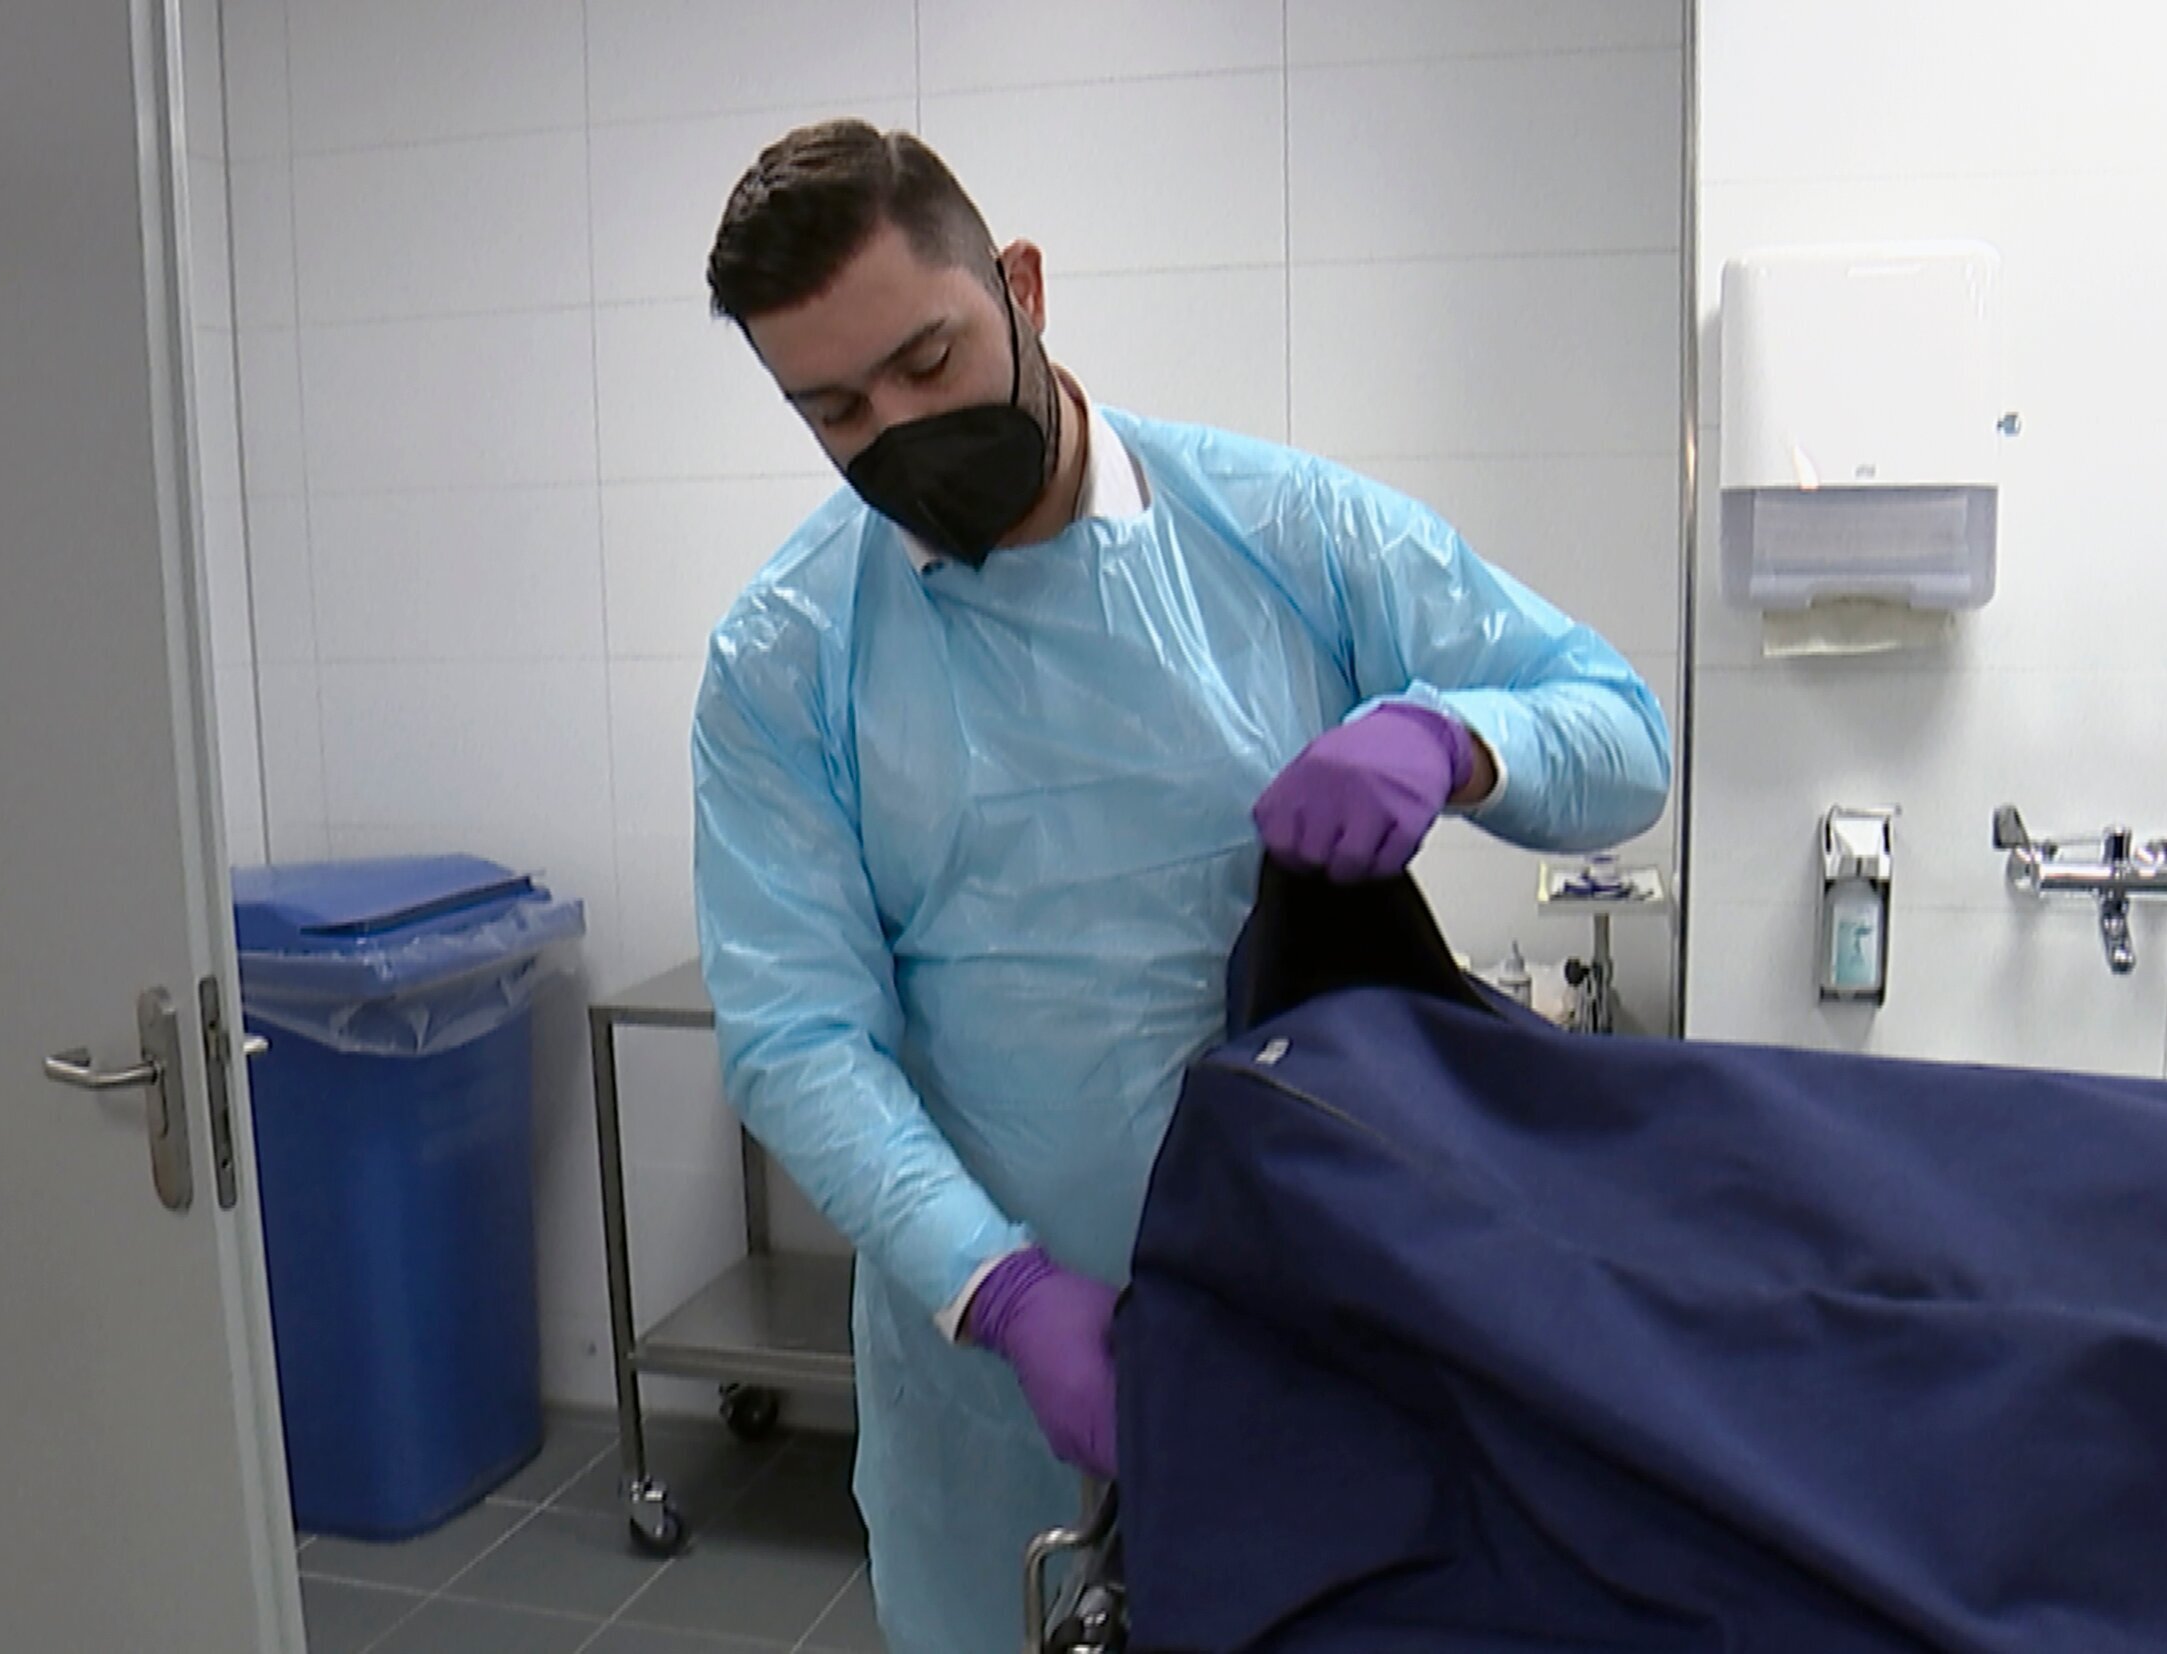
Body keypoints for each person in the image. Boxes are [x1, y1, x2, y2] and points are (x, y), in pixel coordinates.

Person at [689, 119, 1671, 1654]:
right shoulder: (788, 654)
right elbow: (796, 1036)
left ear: (1020, 286)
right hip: (991, 1377)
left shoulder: (1284, 533)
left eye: (929, 360)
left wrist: (1457, 738)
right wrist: (998, 1289)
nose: (900, 429)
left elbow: (1623, 735)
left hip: (1310, 1315)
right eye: (837, 411)